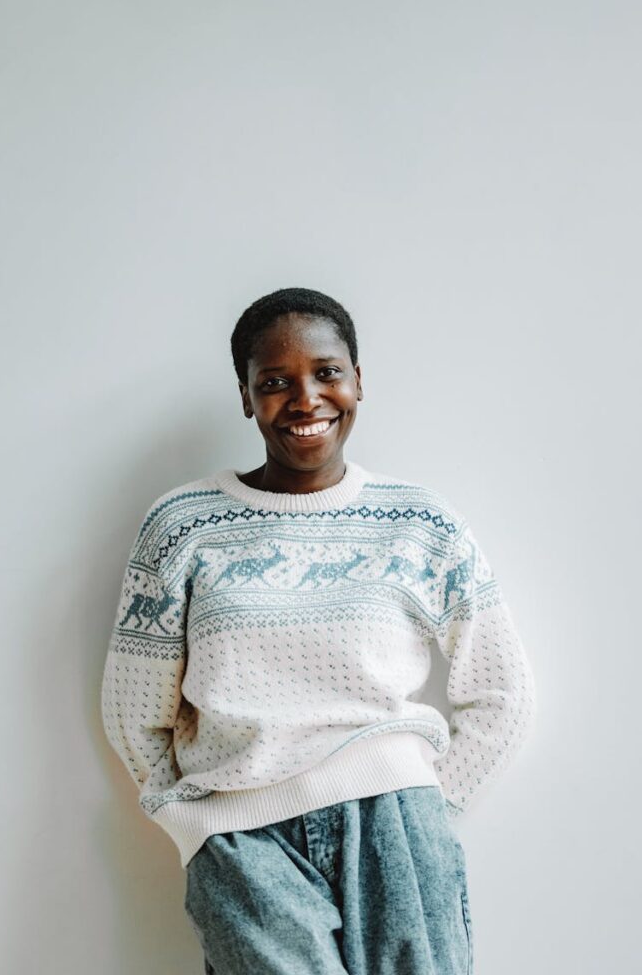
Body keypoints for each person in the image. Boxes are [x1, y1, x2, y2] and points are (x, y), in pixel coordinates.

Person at [101, 287, 537, 975]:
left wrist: (427, 801)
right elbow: (135, 707)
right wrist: (195, 829)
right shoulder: (182, 525)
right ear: (246, 397)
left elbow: (501, 690)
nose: (304, 399)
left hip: (396, 829)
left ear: (358, 381)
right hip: (241, 840)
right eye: (274, 382)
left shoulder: (418, 521)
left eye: (327, 372)